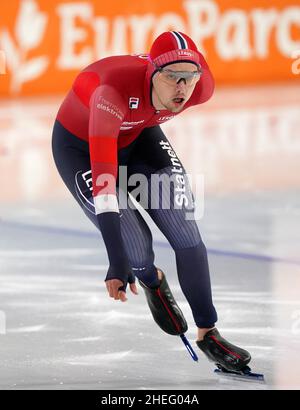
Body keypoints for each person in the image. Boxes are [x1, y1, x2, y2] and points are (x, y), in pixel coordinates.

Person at [52, 31, 251, 373]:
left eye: (190, 78)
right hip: (84, 149)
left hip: (140, 137)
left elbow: (185, 83)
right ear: (153, 73)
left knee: (185, 232)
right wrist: (117, 263)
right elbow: (104, 186)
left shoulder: (200, 89)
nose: (182, 89)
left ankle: (209, 332)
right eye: (173, 77)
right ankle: (151, 279)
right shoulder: (110, 93)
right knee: (136, 249)